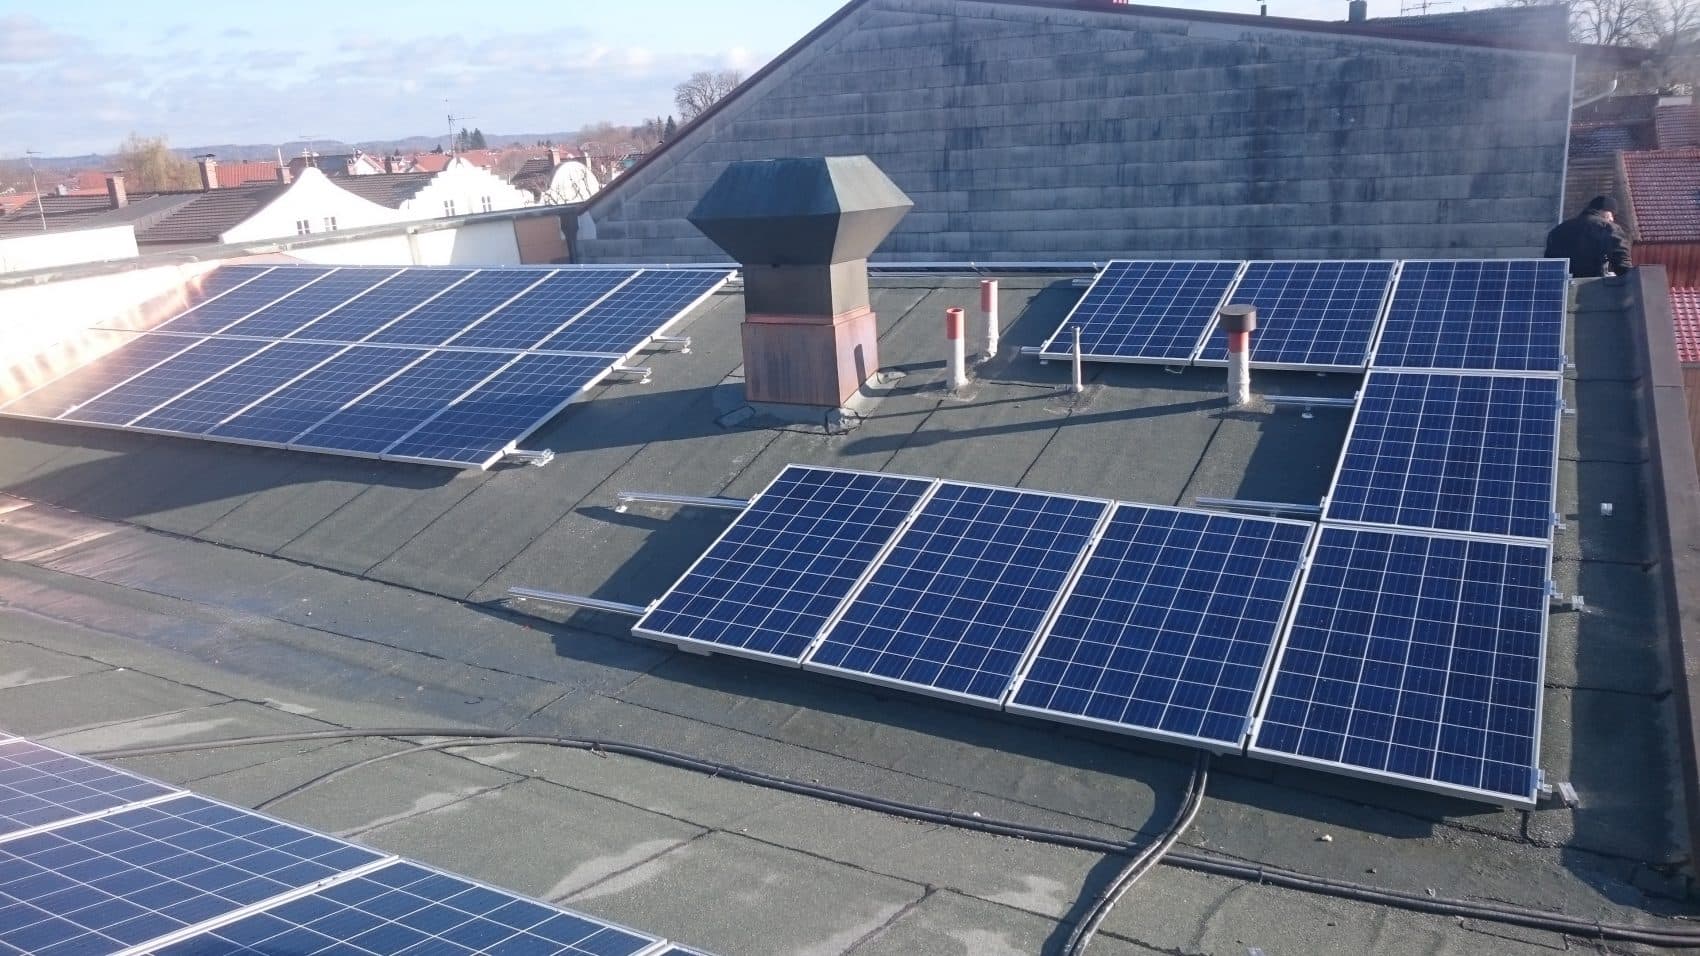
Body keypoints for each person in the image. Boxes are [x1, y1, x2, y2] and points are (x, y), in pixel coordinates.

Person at [1544, 195, 1633, 278]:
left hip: (1561, 286)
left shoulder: (1558, 230)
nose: (1612, 219)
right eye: (1612, 214)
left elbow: (1548, 265)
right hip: (1593, 286)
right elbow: (1622, 264)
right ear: (1603, 210)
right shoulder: (1608, 228)